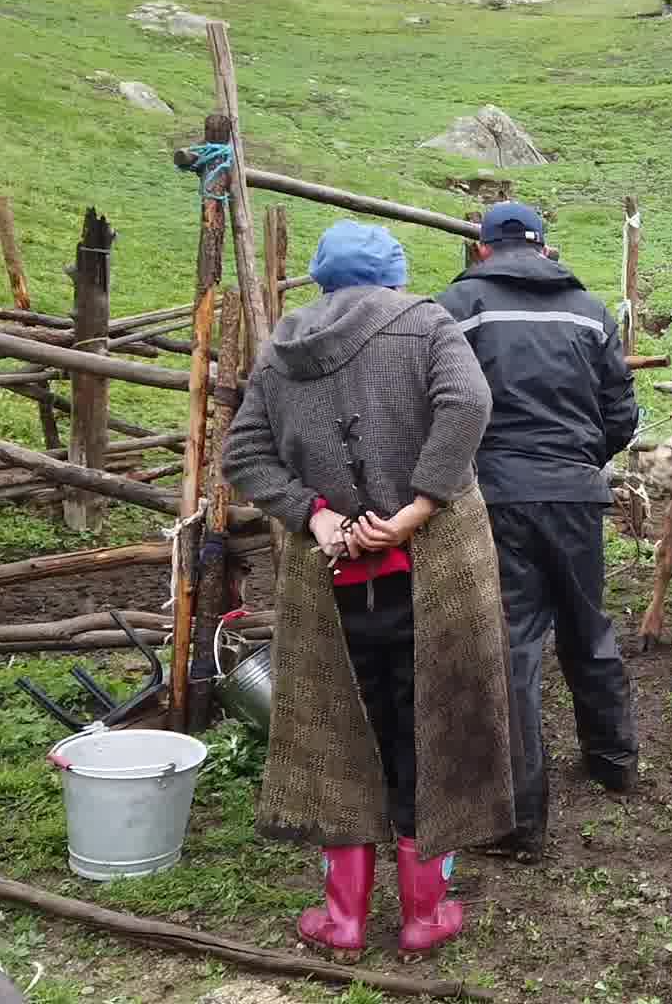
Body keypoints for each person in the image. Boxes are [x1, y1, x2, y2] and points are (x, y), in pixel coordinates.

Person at [222, 219, 518, 962]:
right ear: (392, 276)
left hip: (332, 588)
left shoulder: (283, 348)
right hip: (431, 581)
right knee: (430, 732)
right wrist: (420, 506)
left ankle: (343, 921)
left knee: (337, 736)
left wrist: (315, 518)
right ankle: (425, 915)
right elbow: (470, 405)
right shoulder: (426, 324)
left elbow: (245, 452)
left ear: (322, 279)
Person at [434, 201, 640, 864]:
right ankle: (615, 762)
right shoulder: (590, 311)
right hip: (576, 493)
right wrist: (581, 462)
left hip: (494, 497)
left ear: (484, 249)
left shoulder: (460, 308)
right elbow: (622, 413)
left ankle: (521, 822)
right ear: (545, 248)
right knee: (590, 627)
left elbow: (438, 400)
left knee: (514, 646)